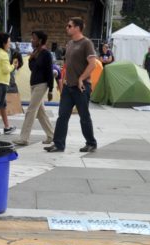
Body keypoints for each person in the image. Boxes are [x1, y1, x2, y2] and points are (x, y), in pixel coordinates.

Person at [46, 17, 98, 153]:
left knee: (84, 116)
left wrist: (81, 78)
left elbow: (93, 64)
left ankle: (91, 143)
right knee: (62, 116)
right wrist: (62, 80)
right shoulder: (69, 44)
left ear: (77, 28)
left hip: (81, 87)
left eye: (69, 26)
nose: (67, 28)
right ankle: (58, 144)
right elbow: (67, 65)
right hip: (68, 87)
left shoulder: (87, 43)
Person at [14, 30, 55, 146]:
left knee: (31, 111)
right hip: (34, 85)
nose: (32, 40)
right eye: (32, 38)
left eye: (34, 38)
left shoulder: (46, 54)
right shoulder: (36, 52)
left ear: (40, 40)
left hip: (42, 85)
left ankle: (24, 138)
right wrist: (31, 59)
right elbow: (33, 68)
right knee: (41, 113)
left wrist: (51, 89)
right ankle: (52, 135)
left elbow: (49, 72)